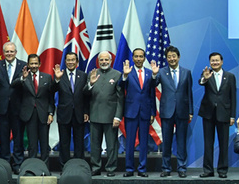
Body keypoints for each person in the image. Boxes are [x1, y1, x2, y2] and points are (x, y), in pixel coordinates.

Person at [0, 42, 27, 174]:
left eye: (11, 51)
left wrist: (24, 79)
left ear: (16, 52)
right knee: (3, 138)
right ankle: (4, 164)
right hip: (2, 107)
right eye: (7, 52)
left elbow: (26, 85)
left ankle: (17, 164)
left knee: (18, 138)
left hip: (18, 107)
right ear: (3, 53)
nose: (9, 54)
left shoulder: (23, 65)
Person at [83, 51, 123, 177]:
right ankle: (96, 167)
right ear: (98, 61)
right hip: (95, 115)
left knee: (112, 146)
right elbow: (85, 94)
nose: (104, 62)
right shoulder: (92, 74)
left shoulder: (117, 75)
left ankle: (111, 168)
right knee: (95, 145)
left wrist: (118, 116)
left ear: (110, 61)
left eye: (106, 60)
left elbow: (120, 98)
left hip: (111, 117)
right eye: (101, 60)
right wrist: (91, 83)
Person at [11, 54, 54, 166]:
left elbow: (50, 98)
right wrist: (23, 78)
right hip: (29, 114)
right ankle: (32, 167)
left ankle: (45, 167)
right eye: (31, 63)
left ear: (40, 64)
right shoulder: (24, 76)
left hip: (43, 114)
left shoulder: (47, 77)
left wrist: (50, 113)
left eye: (36, 63)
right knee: (32, 144)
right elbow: (13, 85)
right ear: (28, 64)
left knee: (44, 143)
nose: (34, 65)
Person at [198, 52, 236, 178]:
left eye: (217, 60)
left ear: (222, 61)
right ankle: (208, 170)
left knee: (223, 143)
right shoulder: (207, 74)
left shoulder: (230, 76)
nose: (214, 62)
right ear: (210, 62)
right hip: (208, 114)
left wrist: (232, 116)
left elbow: (233, 98)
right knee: (208, 143)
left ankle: (222, 170)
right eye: (212, 61)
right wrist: (205, 78)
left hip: (224, 114)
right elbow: (201, 82)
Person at [121, 48, 158, 177]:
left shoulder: (149, 73)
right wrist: (124, 76)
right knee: (130, 142)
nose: (138, 59)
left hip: (145, 112)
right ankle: (129, 169)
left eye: (141, 56)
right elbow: (120, 86)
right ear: (133, 57)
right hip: (131, 112)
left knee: (144, 143)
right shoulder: (128, 72)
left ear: (144, 58)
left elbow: (152, 93)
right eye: (136, 56)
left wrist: (153, 112)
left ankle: (142, 169)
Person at [157, 45, 193, 178]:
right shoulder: (161, 72)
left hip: (182, 111)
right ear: (166, 58)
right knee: (166, 141)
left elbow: (189, 93)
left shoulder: (186, 72)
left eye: (174, 56)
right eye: (169, 57)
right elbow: (153, 84)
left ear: (178, 57)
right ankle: (166, 168)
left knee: (181, 141)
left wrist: (190, 111)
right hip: (167, 111)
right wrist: (154, 74)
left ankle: (182, 168)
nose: (171, 59)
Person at [52, 52, 88, 165]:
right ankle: (65, 166)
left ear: (77, 62)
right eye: (68, 60)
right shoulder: (59, 75)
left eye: (73, 60)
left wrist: (86, 112)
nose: (70, 62)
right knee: (64, 142)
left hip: (79, 113)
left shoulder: (83, 75)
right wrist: (57, 80)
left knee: (79, 142)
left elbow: (86, 95)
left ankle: (79, 165)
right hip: (64, 113)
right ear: (65, 62)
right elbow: (52, 90)